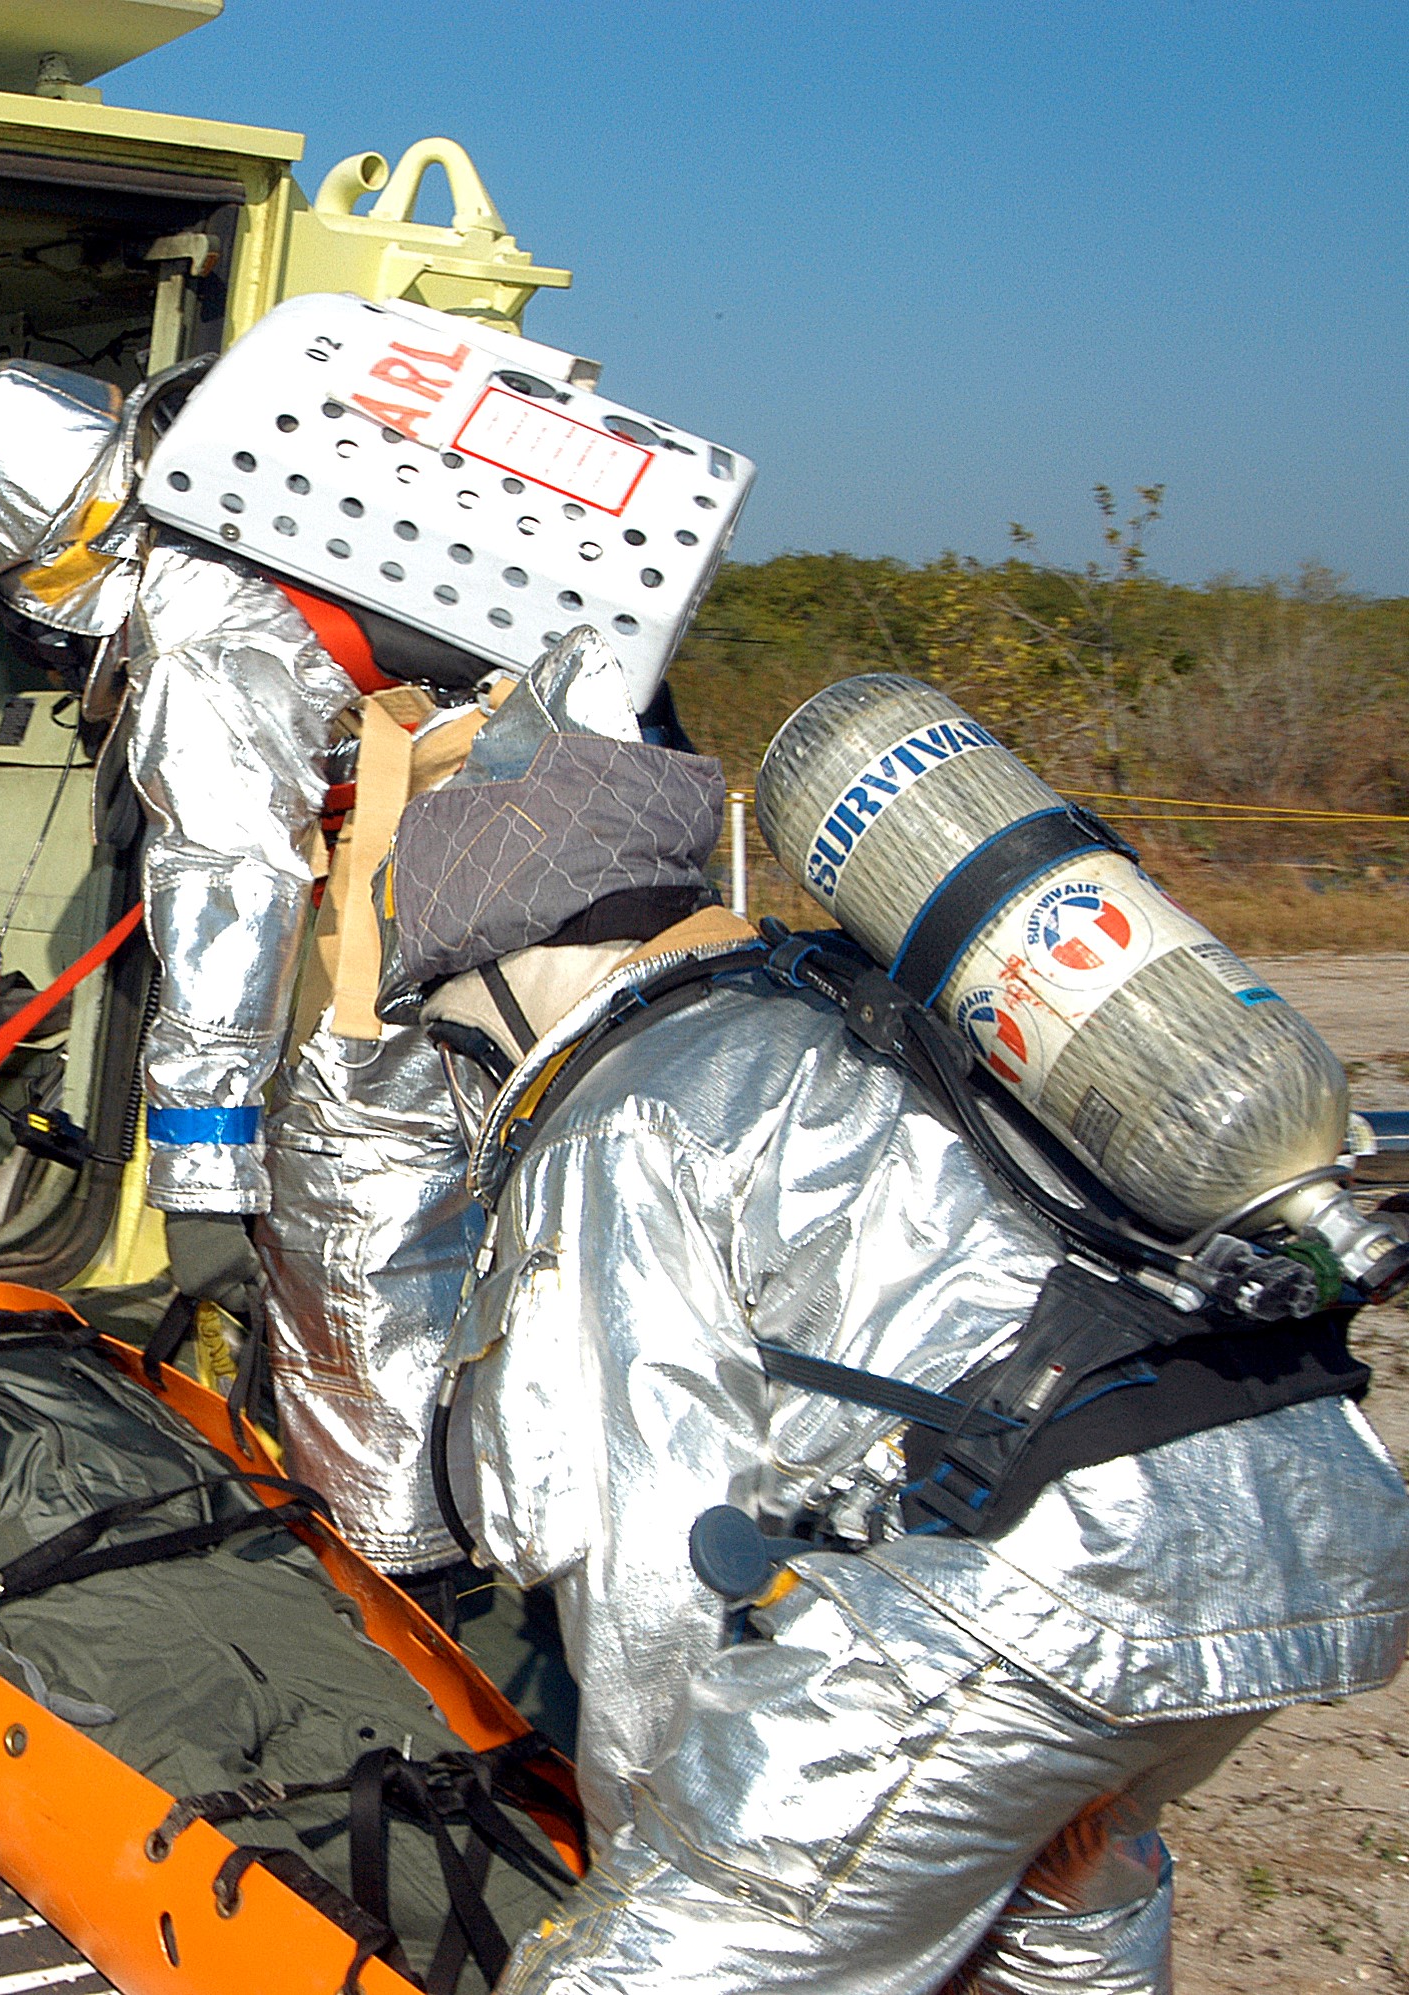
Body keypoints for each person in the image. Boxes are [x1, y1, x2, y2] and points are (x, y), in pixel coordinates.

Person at [398, 636, 1409, 1992]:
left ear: (520, 969)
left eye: (460, 1033)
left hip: (1039, 1579)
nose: (469, 1079)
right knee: (1052, 1887)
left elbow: (641, 1559)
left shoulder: (617, 1117)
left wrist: (663, 1861)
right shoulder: (833, 1010)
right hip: (1304, 1511)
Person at [0, 360, 686, 1659]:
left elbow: (228, 898)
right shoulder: (272, 512)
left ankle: (404, 1612)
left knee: (360, 1249)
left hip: (463, 935)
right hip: (599, 873)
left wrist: (202, 1193)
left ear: (44, 570)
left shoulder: (197, 635)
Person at [0, 1105, 572, 1995]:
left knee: (514, 1884)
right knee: (296, 1919)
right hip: (110, 1670)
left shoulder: (18, 1331)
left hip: (276, 1617)